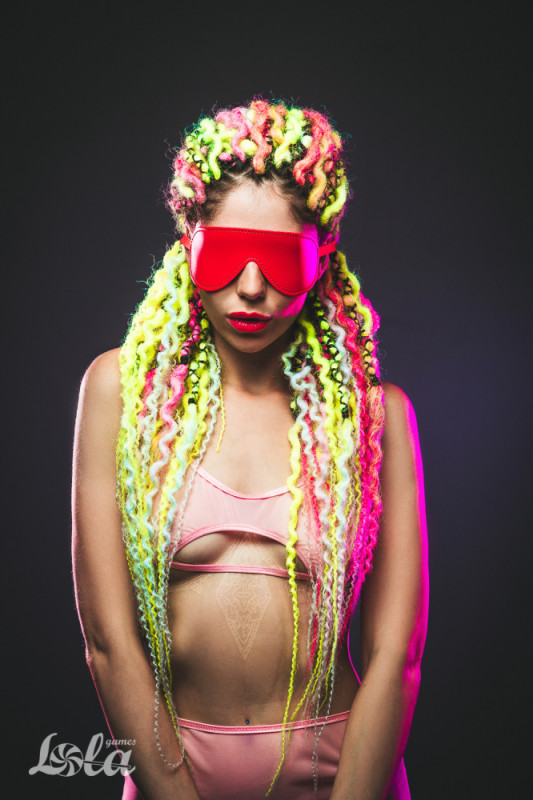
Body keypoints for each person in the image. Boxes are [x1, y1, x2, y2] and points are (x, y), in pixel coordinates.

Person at [72, 98, 429, 800]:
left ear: (321, 257)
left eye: (282, 259)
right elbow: (108, 643)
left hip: (343, 773)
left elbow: (397, 657)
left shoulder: (374, 420)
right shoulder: (121, 394)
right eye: (228, 254)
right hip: (169, 773)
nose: (252, 287)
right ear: (188, 242)